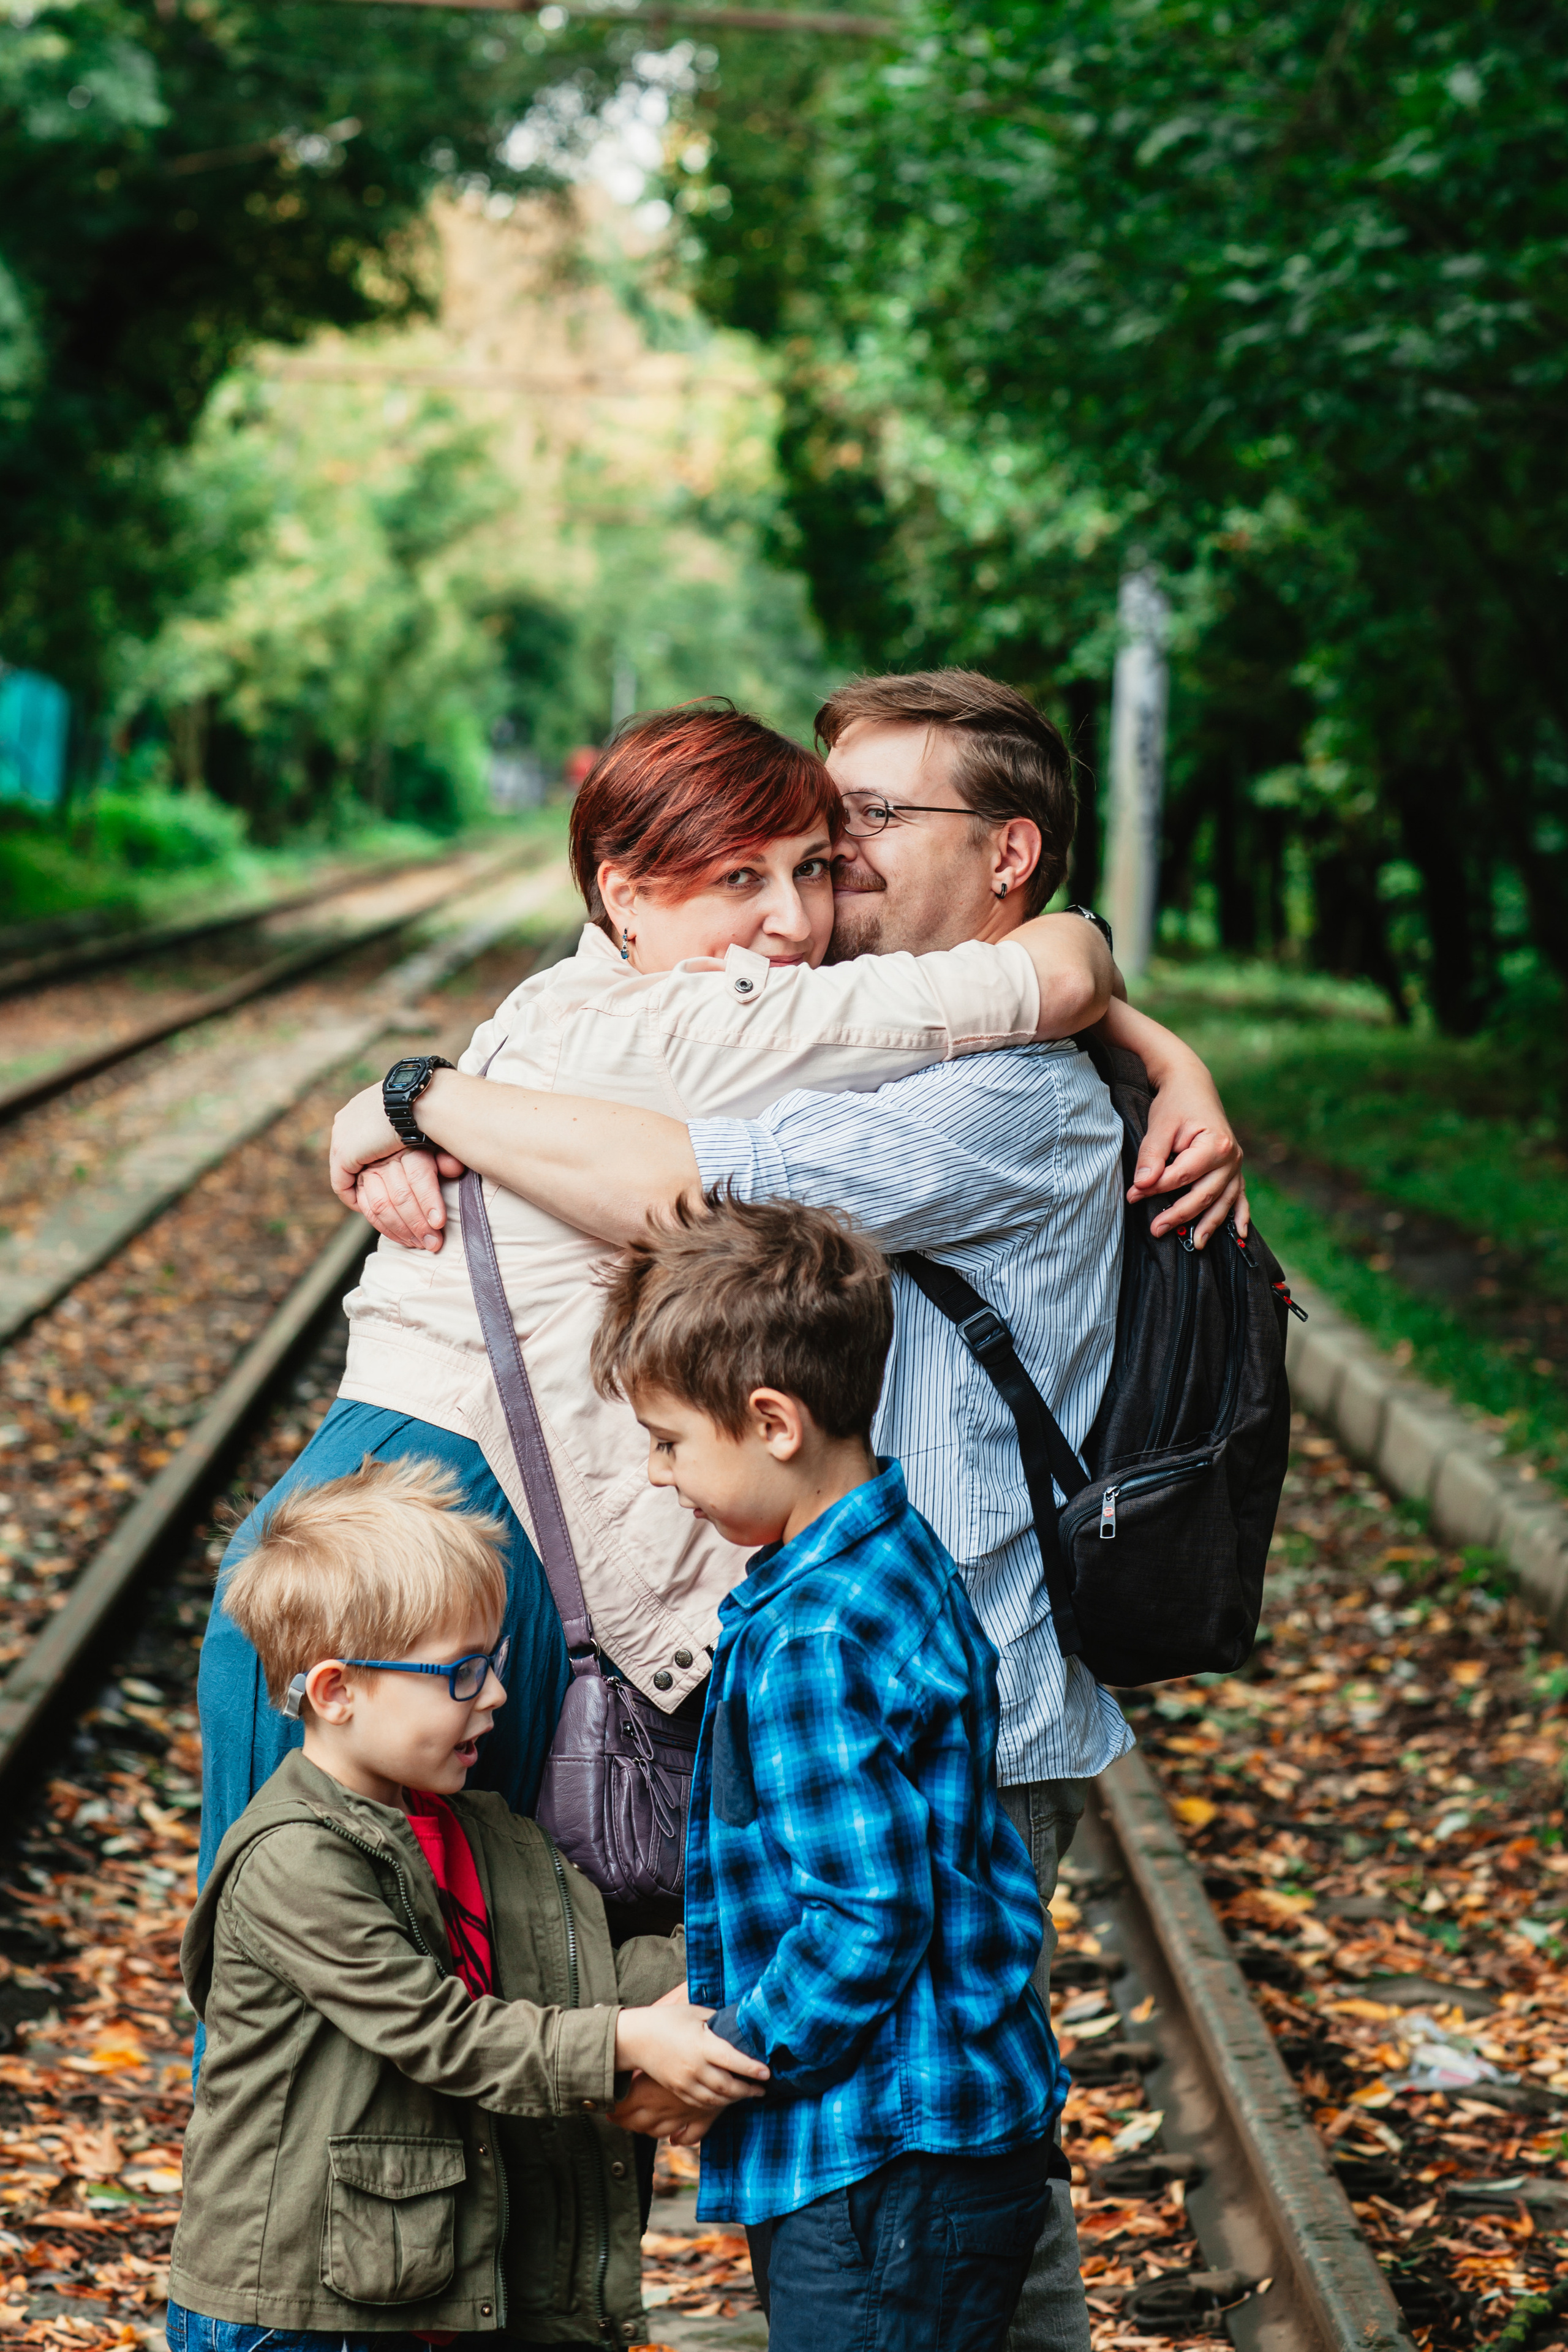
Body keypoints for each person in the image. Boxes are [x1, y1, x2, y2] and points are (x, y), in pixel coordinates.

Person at [331, 671, 1249, 2352]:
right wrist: (1130, 1009)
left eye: (871, 826)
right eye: (817, 833)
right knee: (967, 2144)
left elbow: (682, 1180)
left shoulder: (1006, 1096)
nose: (831, 862)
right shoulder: (957, 1028)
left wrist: (422, 1101)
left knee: (923, 2142)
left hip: (938, 1686)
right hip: (868, 1660)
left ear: (1012, 852)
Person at [200, 701, 1123, 1884]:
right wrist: (1090, 961)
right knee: (349, 1962)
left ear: (1011, 854)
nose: (800, 914)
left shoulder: (561, 1001)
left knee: (365, 1961)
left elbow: (1028, 1004)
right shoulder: (706, 1020)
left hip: (421, 1513)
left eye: (825, 858)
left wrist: (410, 1098)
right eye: (752, 872)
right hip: (432, 1536)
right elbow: (1031, 986)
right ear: (622, 895)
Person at [592, 1193, 1065, 2352]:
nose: (660, 1477)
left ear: (771, 1421)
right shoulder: (900, 1555)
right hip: (940, 2139)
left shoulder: (813, 1634)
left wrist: (718, 2065)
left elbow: (865, 1914)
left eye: (668, 1442)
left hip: (877, 2166)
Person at [170, 1454, 766, 2351]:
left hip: (400, 2283)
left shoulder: (475, 1831)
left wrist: (732, 1978)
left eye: (494, 1663)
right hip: (289, 2308)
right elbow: (442, 2034)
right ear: (337, 1690)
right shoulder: (293, 1859)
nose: (494, 1695)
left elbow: (580, 1967)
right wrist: (633, 2040)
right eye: (459, 1673)